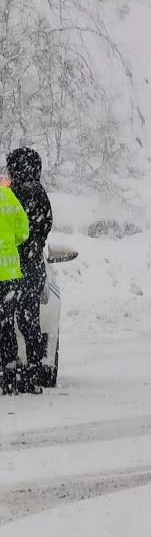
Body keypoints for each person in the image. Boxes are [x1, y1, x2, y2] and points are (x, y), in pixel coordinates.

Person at [6, 147, 52, 393]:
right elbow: (46, 224)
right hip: (32, 269)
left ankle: (9, 369)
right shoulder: (40, 195)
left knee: (6, 321)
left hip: (10, 269)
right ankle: (32, 370)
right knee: (29, 320)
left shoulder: (8, 195)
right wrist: (35, 244)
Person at [0, 177, 30, 394]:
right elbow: (23, 231)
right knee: (6, 324)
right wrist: (9, 241)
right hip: (9, 273)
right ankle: (8, 372)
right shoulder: (8, 195)